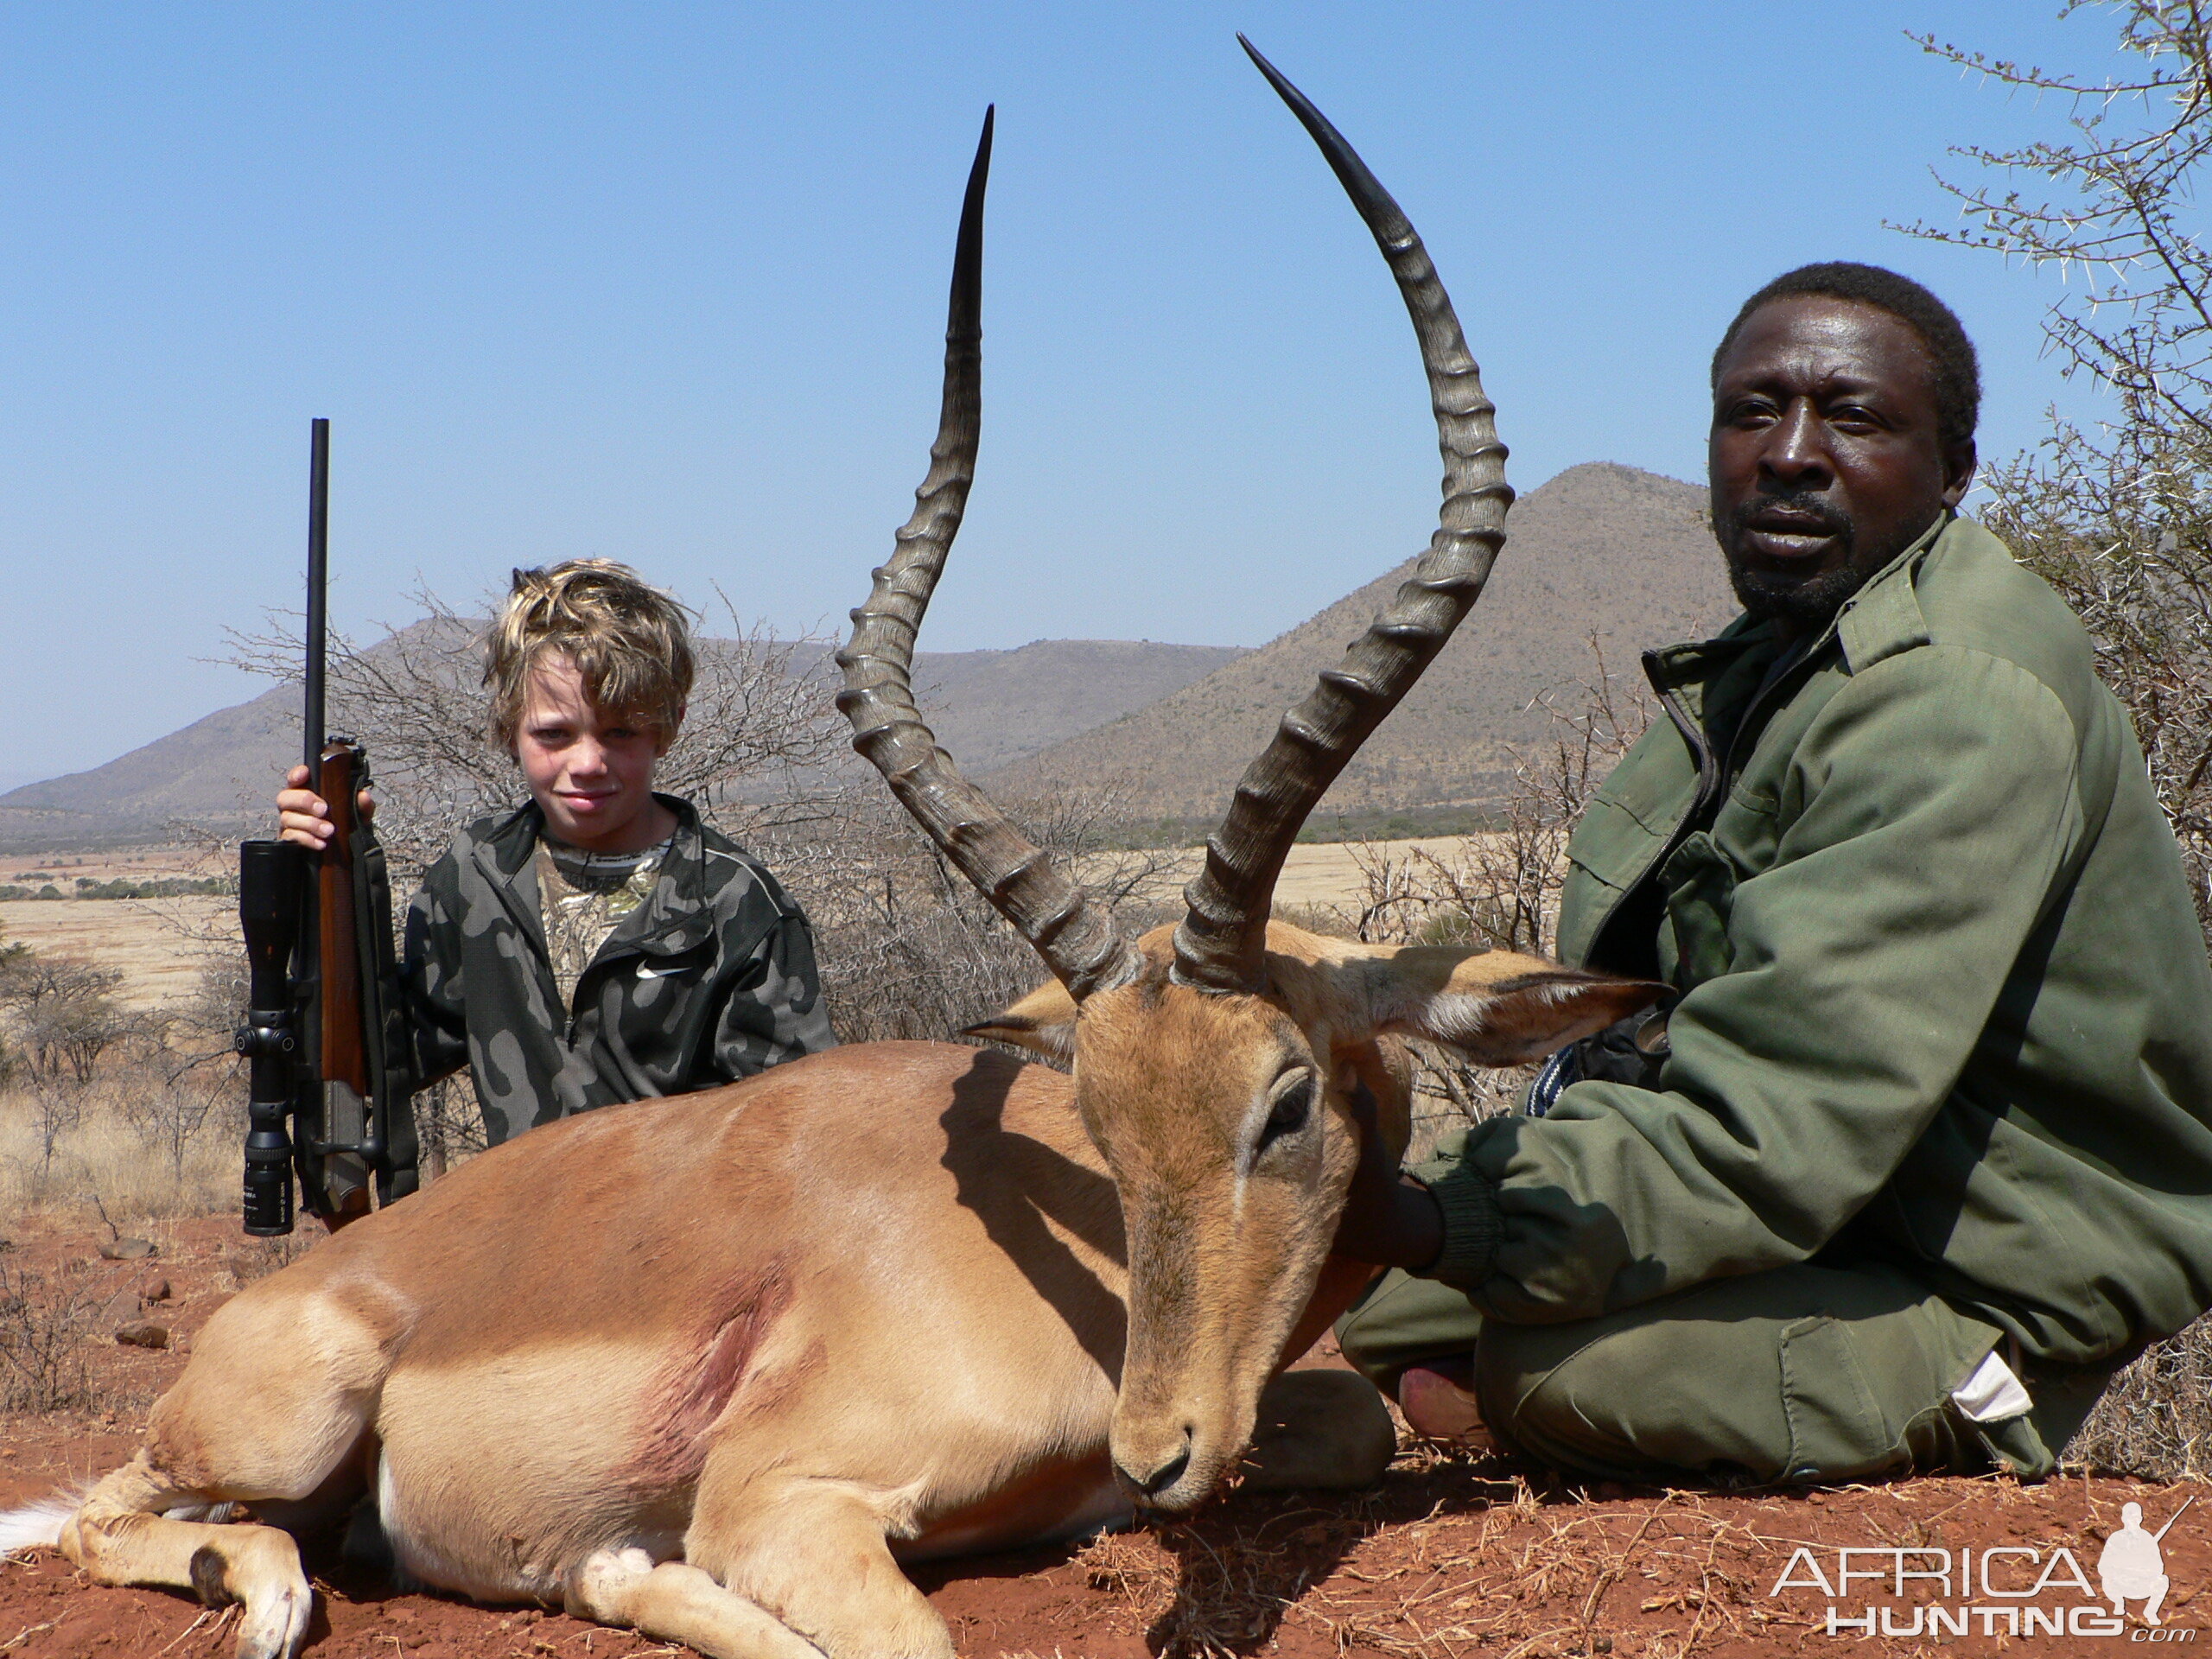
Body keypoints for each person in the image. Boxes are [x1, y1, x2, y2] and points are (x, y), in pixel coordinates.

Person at [1330, 263, 2212, 1485]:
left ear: (1953, 470)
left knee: (1561, 1370)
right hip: (1838, 1208)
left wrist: (1430, 1216)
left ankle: (1980, 1411)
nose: (1790, 452)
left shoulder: (1956, 697)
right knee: (1365, 1301)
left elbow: (1771, 1128)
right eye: (1754, 411)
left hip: (1985, 1277)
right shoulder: (1779, 657)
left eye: (1852, 417)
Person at [278, 559, 836, 1149]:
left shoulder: (739, 902)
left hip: (680, 1235)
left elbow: (794, 1128)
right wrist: (323, 878)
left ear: (669, 726)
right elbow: (387, 1056)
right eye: (554, 734)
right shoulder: (477, 870)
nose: (588, 763)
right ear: (508, 725)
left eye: (620, 732)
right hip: (519, 1230)